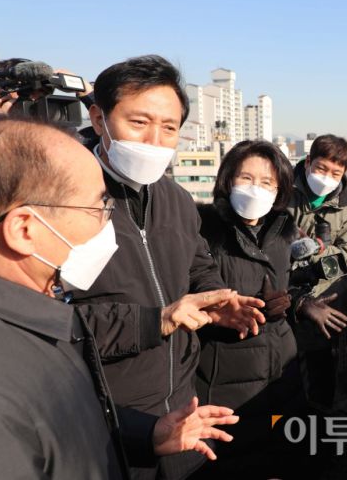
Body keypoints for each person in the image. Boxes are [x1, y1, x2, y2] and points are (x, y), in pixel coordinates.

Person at [0, 116, 239, 478]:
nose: (108, 223)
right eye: (98, 208)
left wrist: (149, 433)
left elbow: (64, 427)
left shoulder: (33, 318)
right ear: (24, 229)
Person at [73, 55, 266, 480]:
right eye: (138, 122)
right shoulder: (66, 200)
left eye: (169, 127)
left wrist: (217, 299)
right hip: (104, 423)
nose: (154, 141)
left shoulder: (175, 199)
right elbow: (54, 320)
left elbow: (197, 264)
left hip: (183, 414)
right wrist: (155, 320)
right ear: (99, 118)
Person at [194, 140, 306, 479]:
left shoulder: (282, 232)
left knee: (279, 456)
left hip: (280, 368)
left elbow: (282, 283)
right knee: (231, 460)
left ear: (280, 189)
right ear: (228, 181)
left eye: (267, 182)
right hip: (226, 373)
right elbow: (192, 288)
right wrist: (222, 311)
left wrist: (287, 302)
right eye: (245, 178)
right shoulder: (203, 228)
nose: (255, 189)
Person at [287, 135, 347, 409]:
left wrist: (320, 253)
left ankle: (318, 423)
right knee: (279, 369)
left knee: (320, 370)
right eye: (321, 169)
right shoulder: (283, 191)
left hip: (321, 298)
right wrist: (289, 244)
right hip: (279, 294)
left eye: (335, 173)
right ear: (308, 162)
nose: (326, 177)